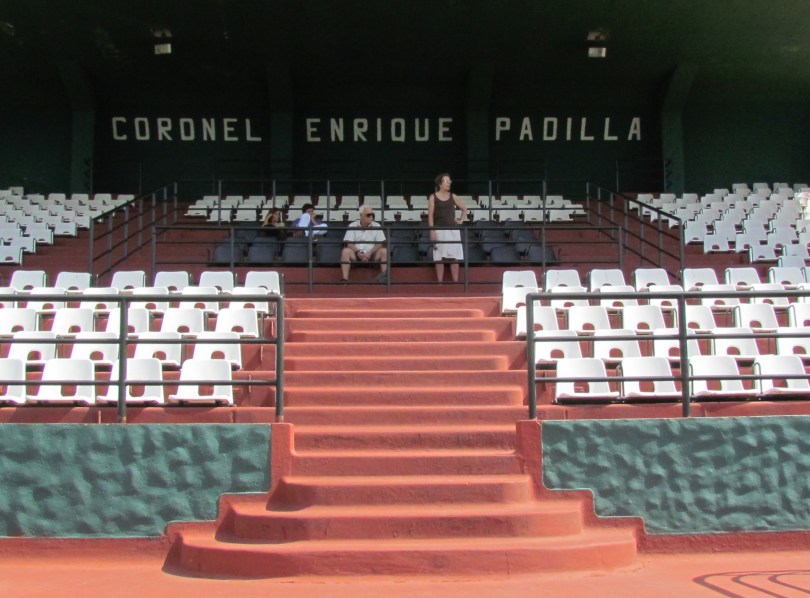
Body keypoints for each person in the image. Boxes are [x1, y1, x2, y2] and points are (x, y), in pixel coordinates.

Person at [428, 173, 468, 283]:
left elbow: (464, 209)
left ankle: (455, 283)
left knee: (454, 257)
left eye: (449, 181)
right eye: (446, 181)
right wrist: (432, 230)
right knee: (439, 257)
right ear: (440, 184)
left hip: (453, 230)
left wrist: (461, 220)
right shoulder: (433, 197)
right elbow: (430, 215)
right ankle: (440, 283)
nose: (449, 183)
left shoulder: (453, 196)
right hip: (439, 229)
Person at [340, 205, 387, 283]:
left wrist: (370, 253)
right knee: (345, 251)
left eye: (372, 215)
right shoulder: (352, 225)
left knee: (384, 251)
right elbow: (349, 243)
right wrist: (358, 253)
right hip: (356, 255)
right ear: (361, 215)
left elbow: (379, 243)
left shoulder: (377, 226)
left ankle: (385, 278)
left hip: (372, 255)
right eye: (368, 215)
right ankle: (345, 279)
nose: (371, 217)